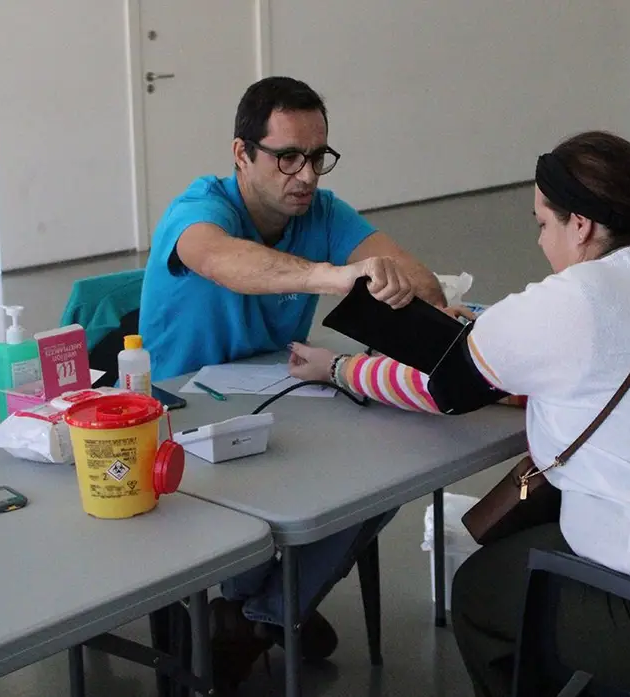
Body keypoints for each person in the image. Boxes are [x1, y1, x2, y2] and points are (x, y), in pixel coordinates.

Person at [288, 131, 630, 697]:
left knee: (481, 593)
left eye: (542, 224)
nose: (541, 242)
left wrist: (338, 369)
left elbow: (442, 387)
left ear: (582, 226)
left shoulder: (573, 301)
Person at [136, 76, 446, 687]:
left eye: (317, 157)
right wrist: (332, 276)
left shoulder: (322, 213)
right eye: (286, 158)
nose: (305, 175)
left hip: (277, 398)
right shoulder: (200, 209)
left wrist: (416, 288)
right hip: (182, 413)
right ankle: (271, 609)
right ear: (241, 154)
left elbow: (410, 270)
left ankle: (258, 613)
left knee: (389, 478)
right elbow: (224, 261)